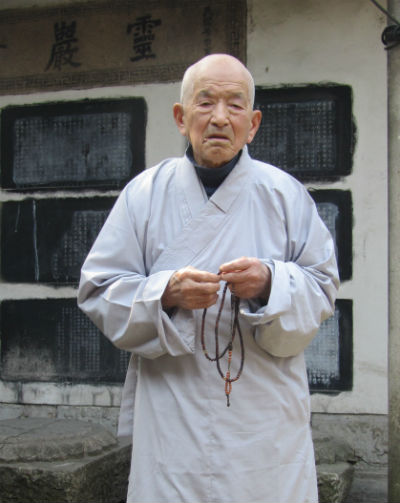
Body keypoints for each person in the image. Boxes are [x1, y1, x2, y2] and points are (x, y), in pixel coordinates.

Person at [78, 53, 339, 503]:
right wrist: (165, 292)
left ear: (253, 124)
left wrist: (271, 284)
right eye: (205, 102)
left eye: (235, 105)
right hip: (173, 405)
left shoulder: (286, 195)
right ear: (181, 117)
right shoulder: (144, 195)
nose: (220, 117)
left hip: (263, 411)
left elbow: (323, 287)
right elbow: (98, 289)